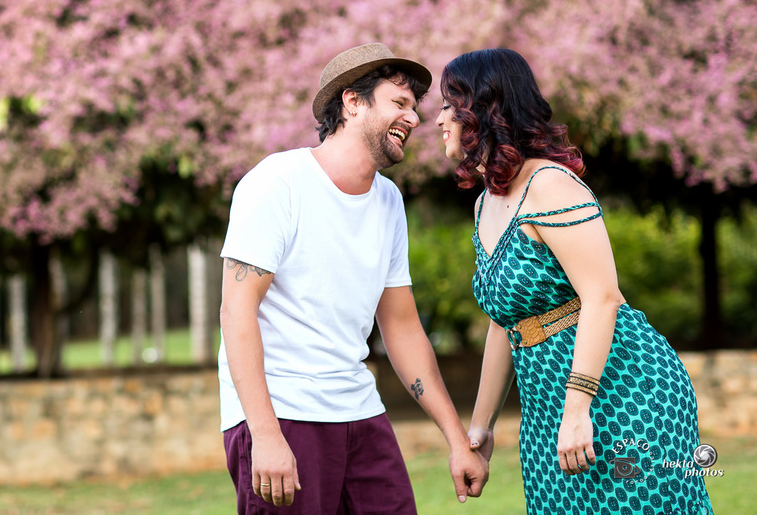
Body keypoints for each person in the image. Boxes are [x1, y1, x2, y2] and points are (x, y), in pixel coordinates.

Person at [435, 48, 714, 515]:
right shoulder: (485, 204)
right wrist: (480, 430)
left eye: (450, 103)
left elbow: (602, 298)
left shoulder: (551, 185)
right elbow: (505, 321)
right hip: (546, 410)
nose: (440, 118)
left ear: (484, 109)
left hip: (621, 395)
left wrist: (578, 408)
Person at [218, 42, 489, 514]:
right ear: (353, 101)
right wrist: (264, 433)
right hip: (283, 415)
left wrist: (456, 439)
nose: (415, 119)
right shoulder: (276, 183)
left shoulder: (388, 202)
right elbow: (236, 312)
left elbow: (402, 328)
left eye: (416, 108)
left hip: (360, 413)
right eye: (399, 103)